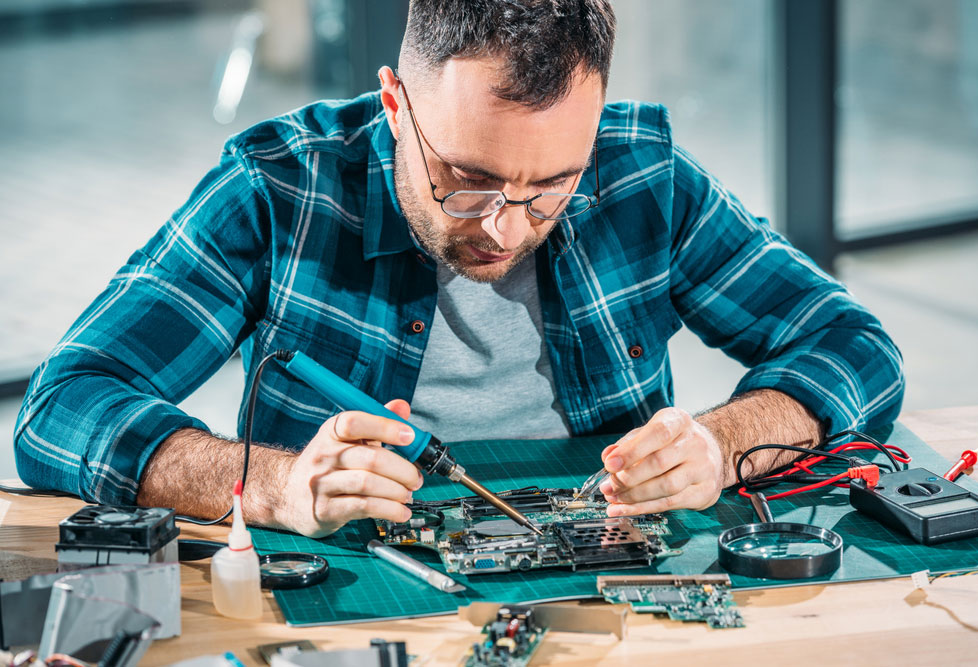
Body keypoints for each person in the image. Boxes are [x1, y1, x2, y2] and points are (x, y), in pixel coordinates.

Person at [13, 0, 903, 538]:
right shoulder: (280, 189)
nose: (506, 229)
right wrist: (276, 484)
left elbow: (854, 346)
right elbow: (65, 405)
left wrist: (719, 443)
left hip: (610, 589)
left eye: (551, 186)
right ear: (395, 104)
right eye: (467, 183)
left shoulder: (642, 175)